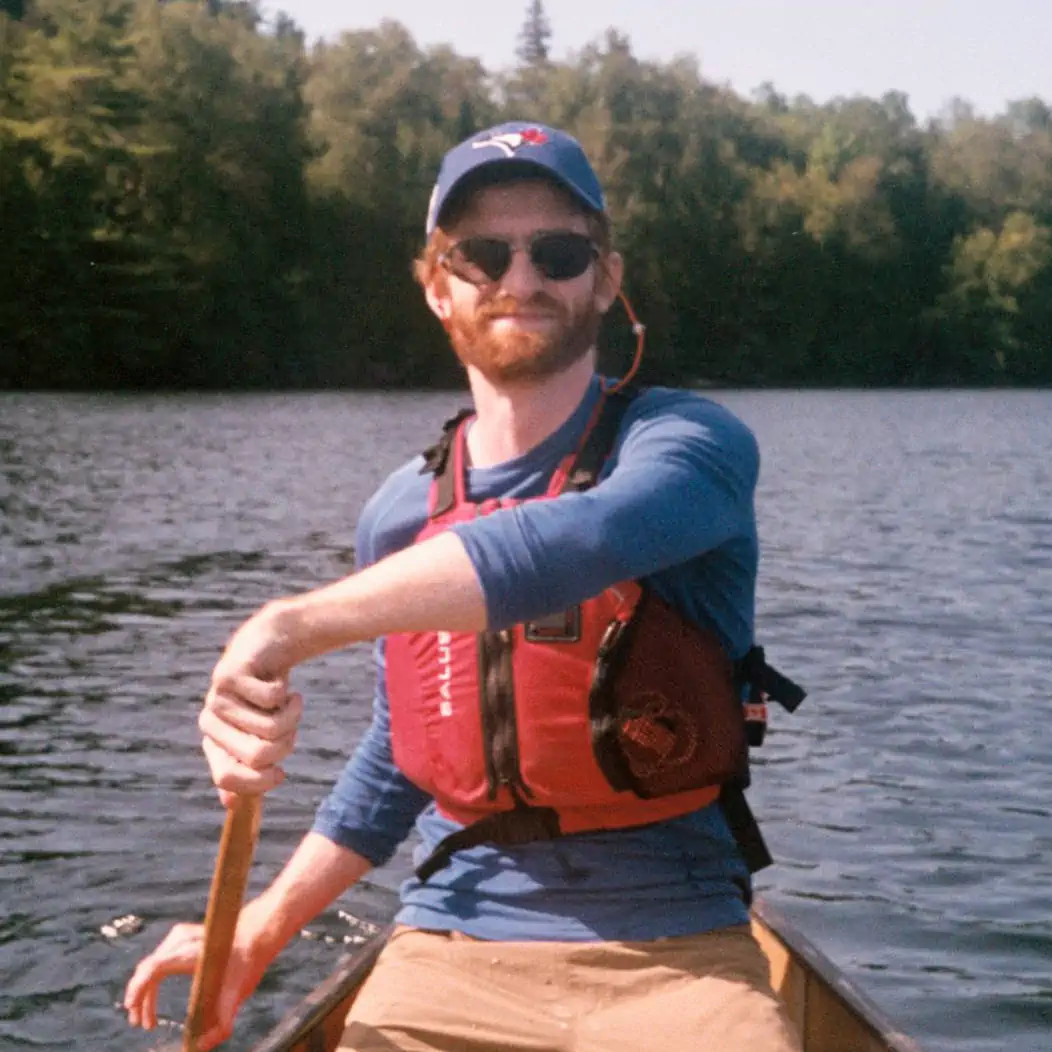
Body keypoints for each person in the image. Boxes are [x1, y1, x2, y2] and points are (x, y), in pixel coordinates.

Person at [124, 121, 805, 1052]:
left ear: (606, 278)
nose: (520, 280)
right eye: (482, 255)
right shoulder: (400, 515)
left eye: (558, 252)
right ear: (438, 287)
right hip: (450, 942)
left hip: (680, 948)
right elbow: (400, 748)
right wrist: (263, 926)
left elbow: (576, 540)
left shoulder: (690, 447)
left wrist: (286, 625)